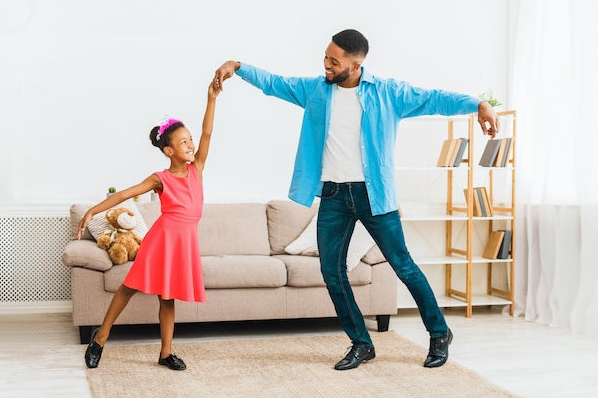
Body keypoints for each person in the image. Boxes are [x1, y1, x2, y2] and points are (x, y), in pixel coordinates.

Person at [212, 29, 499, 370]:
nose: (326, 65)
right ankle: (362, 343)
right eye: (325, 57)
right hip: (333, 194)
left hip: (373, 195)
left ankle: (439, 333)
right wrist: (239, 66)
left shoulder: (388, 93)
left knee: (403, 266)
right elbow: (275, 82)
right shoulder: (316, 90)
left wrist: (478, 103)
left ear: (357, 63)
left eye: (334, 61)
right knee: (331, 271)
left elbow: (435, 98)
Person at [78, 83, 220, 371]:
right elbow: (124, 195)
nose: (191, 144)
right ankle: (100, 338)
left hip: (183, 244)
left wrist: (211, 98)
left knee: (167, 298)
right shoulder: (160, 178)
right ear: (168, 150)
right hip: (161, 241)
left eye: (190, 139)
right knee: (129, 288)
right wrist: (93, 209)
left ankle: (165, 353)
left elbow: (207, 132)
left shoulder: (197, 168)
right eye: (183, 142)